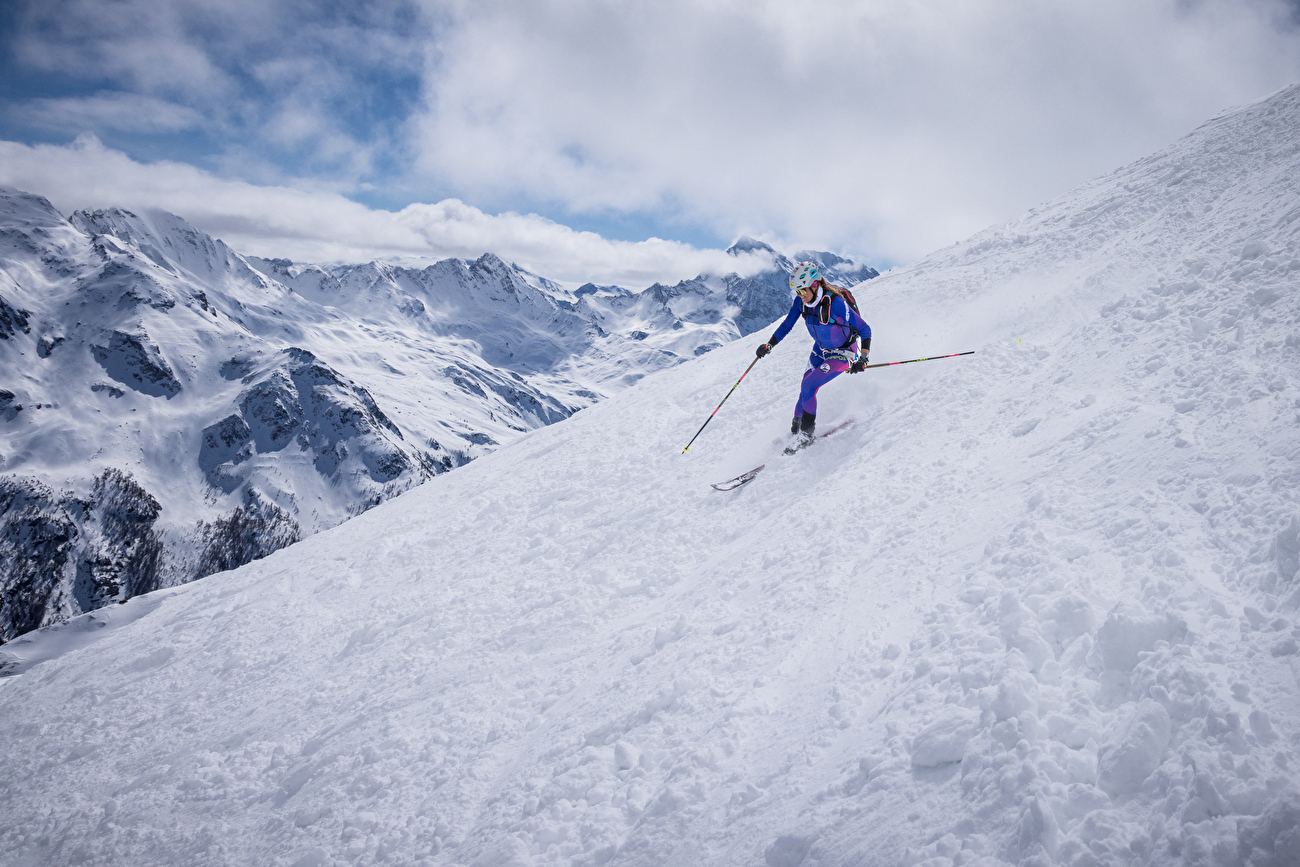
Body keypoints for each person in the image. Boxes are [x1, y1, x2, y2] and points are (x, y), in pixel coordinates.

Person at [754, 261, 871, 446]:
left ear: (815, 285)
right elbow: (787, 324)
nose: (800, 296)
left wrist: (863, 358)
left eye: (802, 291)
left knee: (809, 385)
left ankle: (806, 436)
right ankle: (795, 431)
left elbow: (865, 328)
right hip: (820, 350)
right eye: (797, 292)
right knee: (805, 387)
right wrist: (769, 345)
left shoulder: (836, 302)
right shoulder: (801, 303)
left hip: (843, 353)